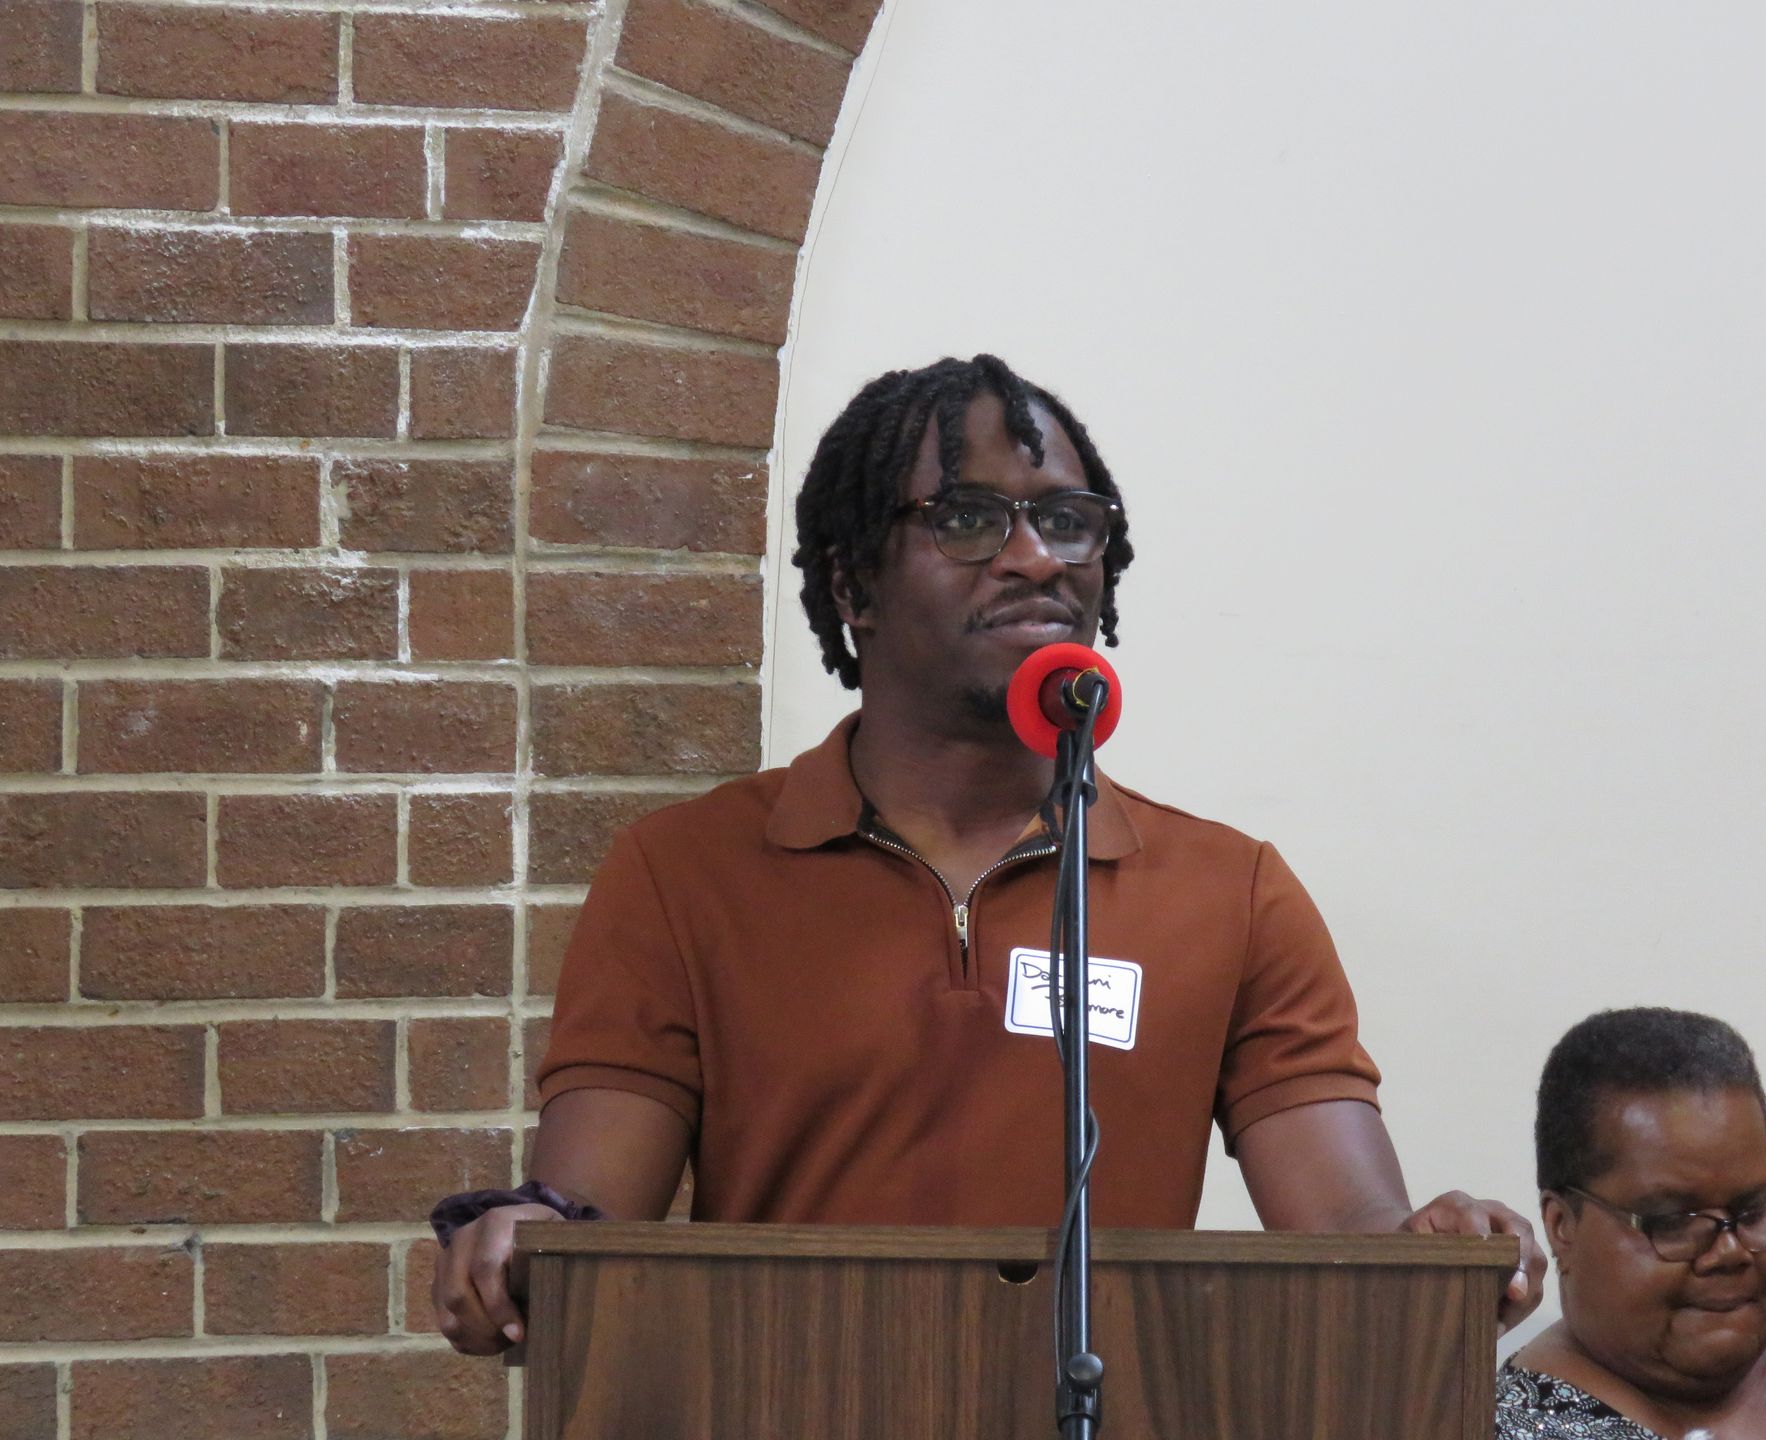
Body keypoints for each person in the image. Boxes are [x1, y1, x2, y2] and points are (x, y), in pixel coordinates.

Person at [431, 354, 1545, 1354]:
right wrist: (520, 1245)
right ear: (852, 583)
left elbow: (1353, 1233)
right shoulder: (686, 873)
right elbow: (584, 1232)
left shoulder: (1231, 891)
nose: (1034, 558)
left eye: (1066, 520)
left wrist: (1430, 1248)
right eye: (968, 520)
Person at [1497, 1007, 1766, 1439]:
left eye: (1754, 1210)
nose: (1730, 1252)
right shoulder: (1490, 1428)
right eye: (1675, 1221)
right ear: (1561, 1225)